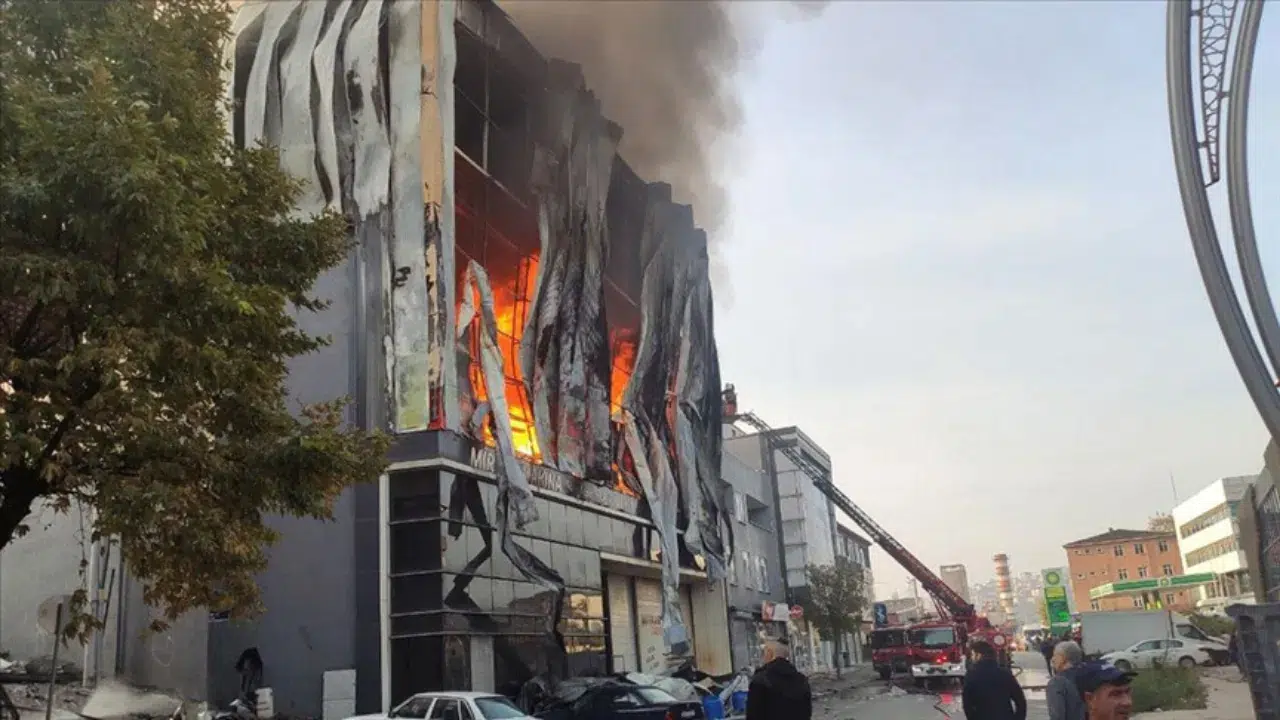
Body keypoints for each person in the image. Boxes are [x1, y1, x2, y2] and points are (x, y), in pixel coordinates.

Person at [746, 638, 812, 720]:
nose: (763, 656)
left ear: (769, 653)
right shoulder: (801, 680)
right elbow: (807, 713)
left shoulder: (761, 680)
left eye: (764, 652)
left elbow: (753, 715)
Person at [961, 640, 1027, 720]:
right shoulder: (1005, 674)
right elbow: (1020, 701)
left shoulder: (971, 675)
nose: (971, 658)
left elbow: (967, 704)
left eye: (972, 655)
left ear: (978, 655)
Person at [1045, 641, 1086, 720]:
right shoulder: (1090, 675)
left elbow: (1057, 716)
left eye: (1055, 655)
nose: (1053, 659)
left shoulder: (1057, 682)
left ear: (1062, 658)